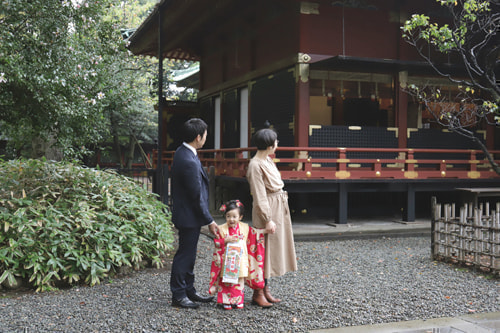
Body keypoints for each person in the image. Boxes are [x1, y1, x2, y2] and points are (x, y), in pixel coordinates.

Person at [246, 128, 298, 307]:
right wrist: (267, 218)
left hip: (278, 206)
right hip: (267, 209)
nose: (277, 144)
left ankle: (266, 289)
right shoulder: (255, 165)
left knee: (271, 250)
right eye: (276, 141)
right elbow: (259, 195)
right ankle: (257, 292)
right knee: (262, 250)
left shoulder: (267, 160)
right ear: (270, 145)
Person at [170, 118, 218, 309]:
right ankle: (179, 294)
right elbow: (196, 195)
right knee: (185, 255)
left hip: (188, 214)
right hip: (189, 215)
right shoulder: (188, 159)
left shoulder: (184, 152)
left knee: (189, 255)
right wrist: (209, 220)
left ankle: (189, 289)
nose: (206, 138)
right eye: (205, 135)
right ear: (198, 137)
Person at [208, 200, 268, 310]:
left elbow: (255, 234)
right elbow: (217, 243)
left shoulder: (245, 228)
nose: (231, 219)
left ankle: (238, 300)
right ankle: (226, 301)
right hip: (227, 260)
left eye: (234, 216)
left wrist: (265, 231)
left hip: (240, 260)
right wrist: (225, 240)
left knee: (239, 281)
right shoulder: (221, 229)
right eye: (228, 216)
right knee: (226, 281)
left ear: (240, 217)